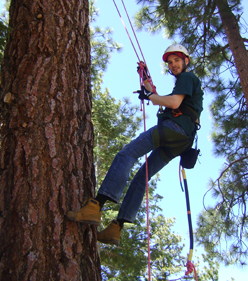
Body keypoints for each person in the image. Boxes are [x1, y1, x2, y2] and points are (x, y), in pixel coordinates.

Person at [67, 44, 204, 245]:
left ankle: (96, 206)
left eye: (177, 60)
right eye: (170, 62)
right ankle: (116, 228)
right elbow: (164, 98)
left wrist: (150, 96)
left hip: (173, 129)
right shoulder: (189, 85)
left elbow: (173, 103)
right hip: (181, 141)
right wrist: (147, 81)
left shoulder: (188, 77)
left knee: (127, 154)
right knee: (142, 178)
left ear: (186, 60)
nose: (173, 65)